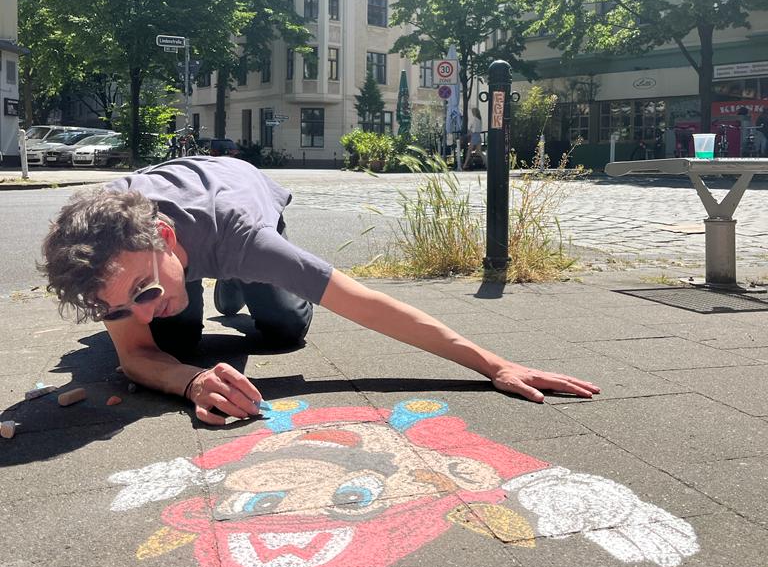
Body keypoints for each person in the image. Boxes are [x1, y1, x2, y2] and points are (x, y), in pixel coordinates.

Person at [41, 156, 599, 426]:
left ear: (164, 237)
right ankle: (212, 291)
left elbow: (368, 306)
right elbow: (137, 355)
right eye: (118, 307)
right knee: (177, 337)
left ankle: (239, 286)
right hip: (178, 236)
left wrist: (494, 365)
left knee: (284, 329)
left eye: (143, 291)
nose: (136, 309)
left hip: (237, 191)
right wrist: (190, 381)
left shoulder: (246, 235)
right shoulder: (112, 255)